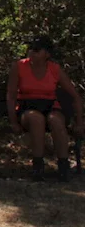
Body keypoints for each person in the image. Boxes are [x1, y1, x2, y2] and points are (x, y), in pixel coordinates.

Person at [6, 36, 84, 182]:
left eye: (36, 50)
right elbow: (11, 95)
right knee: (37, 119)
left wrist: (79, 122)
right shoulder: (19, 66)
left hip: (50, 105)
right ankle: (38, 166)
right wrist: (13, 122)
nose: (31, 52)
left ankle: (63, 166)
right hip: (27, 106)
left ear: (47, 54)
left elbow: (75, 96)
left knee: (56, 121)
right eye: (30, 49)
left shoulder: (54, 69)